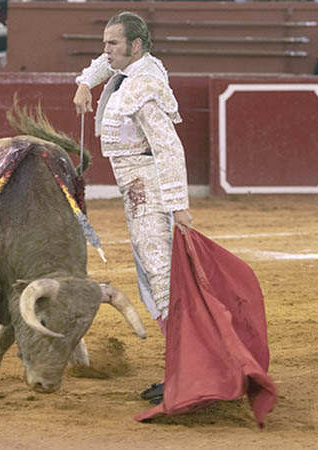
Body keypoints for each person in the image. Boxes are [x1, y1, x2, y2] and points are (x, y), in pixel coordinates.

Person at [72, 11, 192, 403]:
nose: (105, 51)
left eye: (113, 43)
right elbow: (102, 66)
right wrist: (85, 84)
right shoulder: (133, 68)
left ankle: (185, 374)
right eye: (104, 43)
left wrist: (178, 206)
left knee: (161, 278)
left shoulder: (144, 86)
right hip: (136, 187)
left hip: (148, 189)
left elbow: (169, 148)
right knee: (153, 278)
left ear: (135, 45)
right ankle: (182, 369)